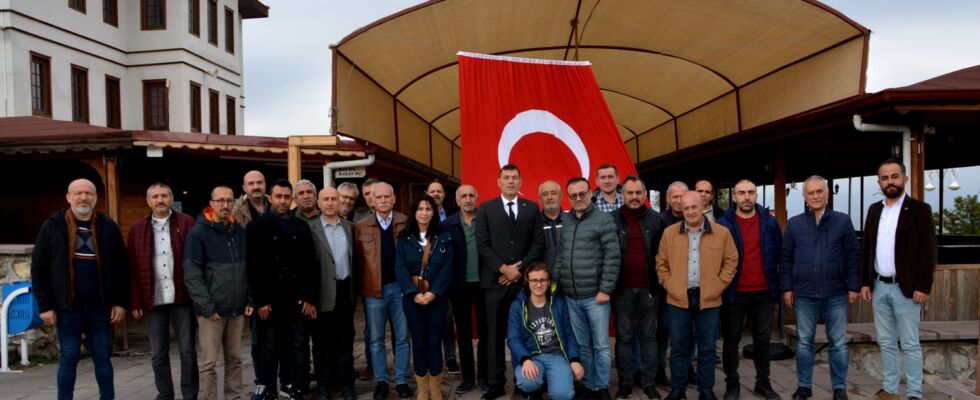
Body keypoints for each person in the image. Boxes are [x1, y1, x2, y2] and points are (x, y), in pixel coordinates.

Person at [31, 178, 129, 400]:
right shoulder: (52, 226)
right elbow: (38, 268)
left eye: (88, 193)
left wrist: (120, 302)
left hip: (99, 307)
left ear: (95, 198)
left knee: (103, 357)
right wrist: (45, 306)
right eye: (78, 193)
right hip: (67, 308)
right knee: (68, 357)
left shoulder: (107, 226)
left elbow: (122, 267)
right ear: (68, 197)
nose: (84, 197)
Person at [860, 160, 937, 400]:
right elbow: (867, 248)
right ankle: (891, 390)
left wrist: (924, 286)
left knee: (910, 343)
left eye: (894, 176)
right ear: (879, 182)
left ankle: (914, 393)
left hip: (907, 289)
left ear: (904, 179)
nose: (889, 181)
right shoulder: (874, 210)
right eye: (885, 178)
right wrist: (865, 281)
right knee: (885, 342)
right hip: (879, 287)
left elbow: (929, 251)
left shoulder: (919, 209)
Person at [780, 176, 860, 400]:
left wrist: (853, 286)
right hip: (804, 293)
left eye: (819, 191)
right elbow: (785, 259)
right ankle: (804, 386)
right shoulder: (794, 224)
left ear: (827, 194)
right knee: (805, 342)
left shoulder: (842, 221)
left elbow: (853, 256)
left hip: (836, 293)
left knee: (838, 343)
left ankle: (839, 388)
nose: (815, 196)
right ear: (804, 196)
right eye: (811, 193)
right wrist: (787, 288)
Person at [656, 192, 737, 400]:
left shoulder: (722, 233)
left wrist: (718, 285)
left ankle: (706, 390)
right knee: (678, 348)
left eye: (694, 207)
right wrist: (670, 285)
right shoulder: (669, 233)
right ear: (680, 210)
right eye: (686, 208)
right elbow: (661, 263)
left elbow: (731, 260)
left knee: (708, 348)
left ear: (703, 206)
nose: (690, 212)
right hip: (678, 299)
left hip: (709, 299)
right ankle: (678, 389)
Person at [474, 164, 545, 399]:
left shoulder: (532, 208)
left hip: (522, 282)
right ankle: (495, 382)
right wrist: (503, 268)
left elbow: (537, 243)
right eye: (506, 178)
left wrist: (518, 269)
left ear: (521, 182)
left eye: (515, 177)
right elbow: (482, 244)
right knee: (494, 333)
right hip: (494, 283)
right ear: (498, 182)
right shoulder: (485, 209)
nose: (511, 181)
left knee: (524, 332)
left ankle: (523, 381)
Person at [246, 179, 319, 399]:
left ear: (292, 199)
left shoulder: (301, 226)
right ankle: (268, 388)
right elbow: (253, 267)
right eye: (279, 196)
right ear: (271, 198)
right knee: (268, 347)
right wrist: (261, 300)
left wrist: (308, 297)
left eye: (287, 197)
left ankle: (291, 386)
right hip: (269, 301)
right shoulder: (257, 226)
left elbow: (310, 265)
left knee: (296, 345)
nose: (283, 201)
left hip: (295, 299)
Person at [128, 182, 198, 400]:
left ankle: (190, 395)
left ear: (171, 198)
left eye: (164, 195)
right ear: (148, 201)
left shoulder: (187, 223)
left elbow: (195, 260)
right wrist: (135, 302)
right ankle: (165, 394)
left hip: (181, 297)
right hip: (153, 298)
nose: (160, 200)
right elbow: (131, 267)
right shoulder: (137, 229)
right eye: (155, 196)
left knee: (187, 351)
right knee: (159, 354)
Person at [553, 176, 620, 400]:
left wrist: (606, 289)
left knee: (600, 345)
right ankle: (589, 385)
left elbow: (613, 257)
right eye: (574, 195)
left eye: (583, 193)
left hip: (595, 296)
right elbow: (562, 255)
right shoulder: (567, 220)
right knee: (582, 345)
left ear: (591, 193)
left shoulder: (604, 220)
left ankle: (601, 387)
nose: (579, 198)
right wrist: (555, 282)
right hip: (571, 296)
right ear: (569, 197)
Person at [184, 186, 253, 400]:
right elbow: (192, 273)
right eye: (220, 201)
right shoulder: (198, 233)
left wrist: (249, 298)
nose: (225, 205)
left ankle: (234, 397)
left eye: (229, 201)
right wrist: (206, 306)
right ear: (211, 203)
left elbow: (248, 269)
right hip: (211, 311)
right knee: (209, 363)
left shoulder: (239, 232)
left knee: (235, 359)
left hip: (237, 308)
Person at [715, 180, 782, 400]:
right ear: (734, 196)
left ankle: (763, 383)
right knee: (731, 340)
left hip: (764, 291)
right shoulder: (723, 223)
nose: (746, 197)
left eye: (751, 192)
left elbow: (780, 253)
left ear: (756, 195)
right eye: (741, 193)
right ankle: (732, 385)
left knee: (762, 340)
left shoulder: (769, 223)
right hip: (734, 292)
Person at [355, 182, 414, 400]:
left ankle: (401, 382)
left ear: (394, 198)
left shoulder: (405, 221)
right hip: (374, 291)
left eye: (387, 196)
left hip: (400, 288)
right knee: (376, 339)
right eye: (378, 197)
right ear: (371, 200)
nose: (382, 200)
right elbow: (358, 261)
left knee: (402, 338)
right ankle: (381, 381)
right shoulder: (361, 226)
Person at [611, 176, 665, 400]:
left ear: (644, 195)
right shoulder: (610, 220)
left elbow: (664, 256)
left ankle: (649, 383)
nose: (634, 197)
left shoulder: (657, 220)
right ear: (622, 195)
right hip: (621, 290)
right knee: (623, 338)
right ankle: (625, 383)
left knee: (649, 337)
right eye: (629, 193)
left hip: (649, 290)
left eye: (638, 193)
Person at [396, 194, 455, 400]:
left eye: (428, 209)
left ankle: (436, 390)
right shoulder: (404, 237)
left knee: (434, 342)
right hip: (412, 300)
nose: (424, 213)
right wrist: (413, 294)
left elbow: (448, 268)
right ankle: (422, 390)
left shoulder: (444, 237)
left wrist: (433, 293)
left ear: (435, 212)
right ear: (414, 212)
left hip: (436, 299)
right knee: (418, 342)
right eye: (420, 209)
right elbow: (400, 268)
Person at [507, 262, 585, 400]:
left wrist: (574, 359)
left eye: (542, 280)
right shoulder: (518, 306)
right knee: (527, 383)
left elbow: (569, 333)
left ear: (549, 282)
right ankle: (535, 391)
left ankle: (553, 383)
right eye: (534, 280)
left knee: (563, 395)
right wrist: (525, 359)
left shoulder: (558, 303)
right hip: (532, 356)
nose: (538, 284)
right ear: (528, 282)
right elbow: (513, 339)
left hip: (556, 356)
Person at [309, 186, 358, 400]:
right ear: (318, 203)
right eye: (325, 199)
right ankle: (324, 387)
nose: (329, 203)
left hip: (345, 291)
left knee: (346, 342)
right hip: (322, 294)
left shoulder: (349, 227)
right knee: (321, 344)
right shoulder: (309, 229)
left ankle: (347, 385)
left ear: (339, 202)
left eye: (333, 199)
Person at [442, 184, 488, 394]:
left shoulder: (486, 220)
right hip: (459, 286)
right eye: (464, 196)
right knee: (463, 333)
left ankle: (485, 376)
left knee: (486, 332)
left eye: (471, 195)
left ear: (476, 198)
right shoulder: (447, 224)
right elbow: (443, 259)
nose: (468, 199)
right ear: (457, 200)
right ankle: (468, 377)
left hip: (485, 284)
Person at [538, 180, 564, 270]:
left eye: (553, 193)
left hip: (569, 279)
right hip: (543, 280)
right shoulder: (533, 224)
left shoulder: (573, 222)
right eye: (545, 194)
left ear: (560, 196)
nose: (549, 197)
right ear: (540, 199)